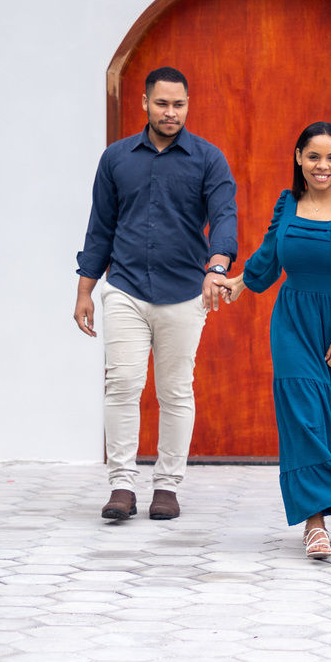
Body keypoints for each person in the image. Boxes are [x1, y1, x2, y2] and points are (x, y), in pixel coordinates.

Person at [74, 66, 237, 522]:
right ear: (145, 103)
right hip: (125, 288)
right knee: (122, 384)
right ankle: (122, 485)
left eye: (179, 104)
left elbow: (224, 217)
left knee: (175, 390)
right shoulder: (116, 158)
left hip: (184, 293)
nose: (170, 112)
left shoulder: (209, 159)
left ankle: (167, 486)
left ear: (188, 105)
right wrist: (85, 290)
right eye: (162, 103)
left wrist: (217, 267)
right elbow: (100, 226)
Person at [218, 122, 331, 559]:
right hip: (292, 322)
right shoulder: (287, 203)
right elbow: (271, 256)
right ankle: (315, 524)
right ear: (298, 158)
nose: (322, 166)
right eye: (313, 156)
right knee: (304, 417)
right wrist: (240, 282)